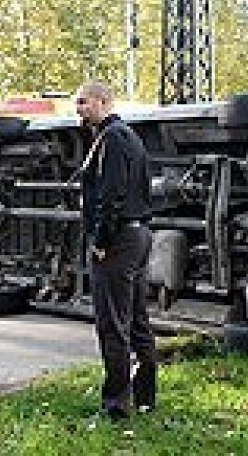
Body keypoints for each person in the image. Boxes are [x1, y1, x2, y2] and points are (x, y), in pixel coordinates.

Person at [75, 81, 156, 420]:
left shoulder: (112, 138)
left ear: (103, 101)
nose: (78, 109)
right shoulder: (127, 137)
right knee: (136, 319)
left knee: (113, 324)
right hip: (135, 235)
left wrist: (101, 241)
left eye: (83, 102)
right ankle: (145, 397)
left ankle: (116, 404)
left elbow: (111, 195)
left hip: (119, 240)